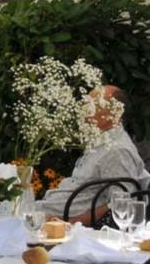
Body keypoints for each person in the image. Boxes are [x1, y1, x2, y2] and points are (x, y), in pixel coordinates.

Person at [42, 85, 150, 222]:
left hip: (64, 230)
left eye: (95, 104)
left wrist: (69, 224)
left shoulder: (117, 152)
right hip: (46, 216)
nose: (86, 108)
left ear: (114, 115)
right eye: (87, 102)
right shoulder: (101, 143)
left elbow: (123, 206)